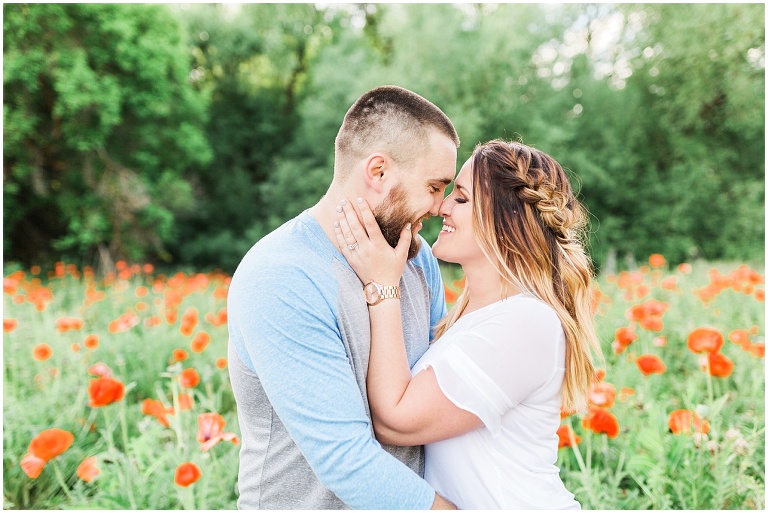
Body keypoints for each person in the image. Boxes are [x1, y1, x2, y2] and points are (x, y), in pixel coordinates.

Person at [333, 139, 603, 509]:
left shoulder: (525, 322)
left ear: (507, 219)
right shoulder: (471, 315)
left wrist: (383, 285)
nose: (441, 207)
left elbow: (397, 420)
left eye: (460, 198)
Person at [227, 85, 461, 509]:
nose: (440, 207)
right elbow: (345, 461)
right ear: (378, 172)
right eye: (434, 187)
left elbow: (435, 402)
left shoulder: (417, 260)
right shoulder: (281, 276)